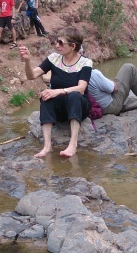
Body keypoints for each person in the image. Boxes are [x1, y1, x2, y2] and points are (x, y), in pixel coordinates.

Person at [19, 28, 92, 157]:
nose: (57, 45)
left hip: (78, 106)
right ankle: (47, 146)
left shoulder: (85, 63)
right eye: (56, 42)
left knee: (74, 95)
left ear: (73, 46)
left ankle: (73, 144)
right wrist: (27, 61)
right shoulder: (54, 58)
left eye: (60, 42)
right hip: (61, 108)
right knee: (46, 95)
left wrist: (59, 91)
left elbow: (81, 88)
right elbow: (32, 75)